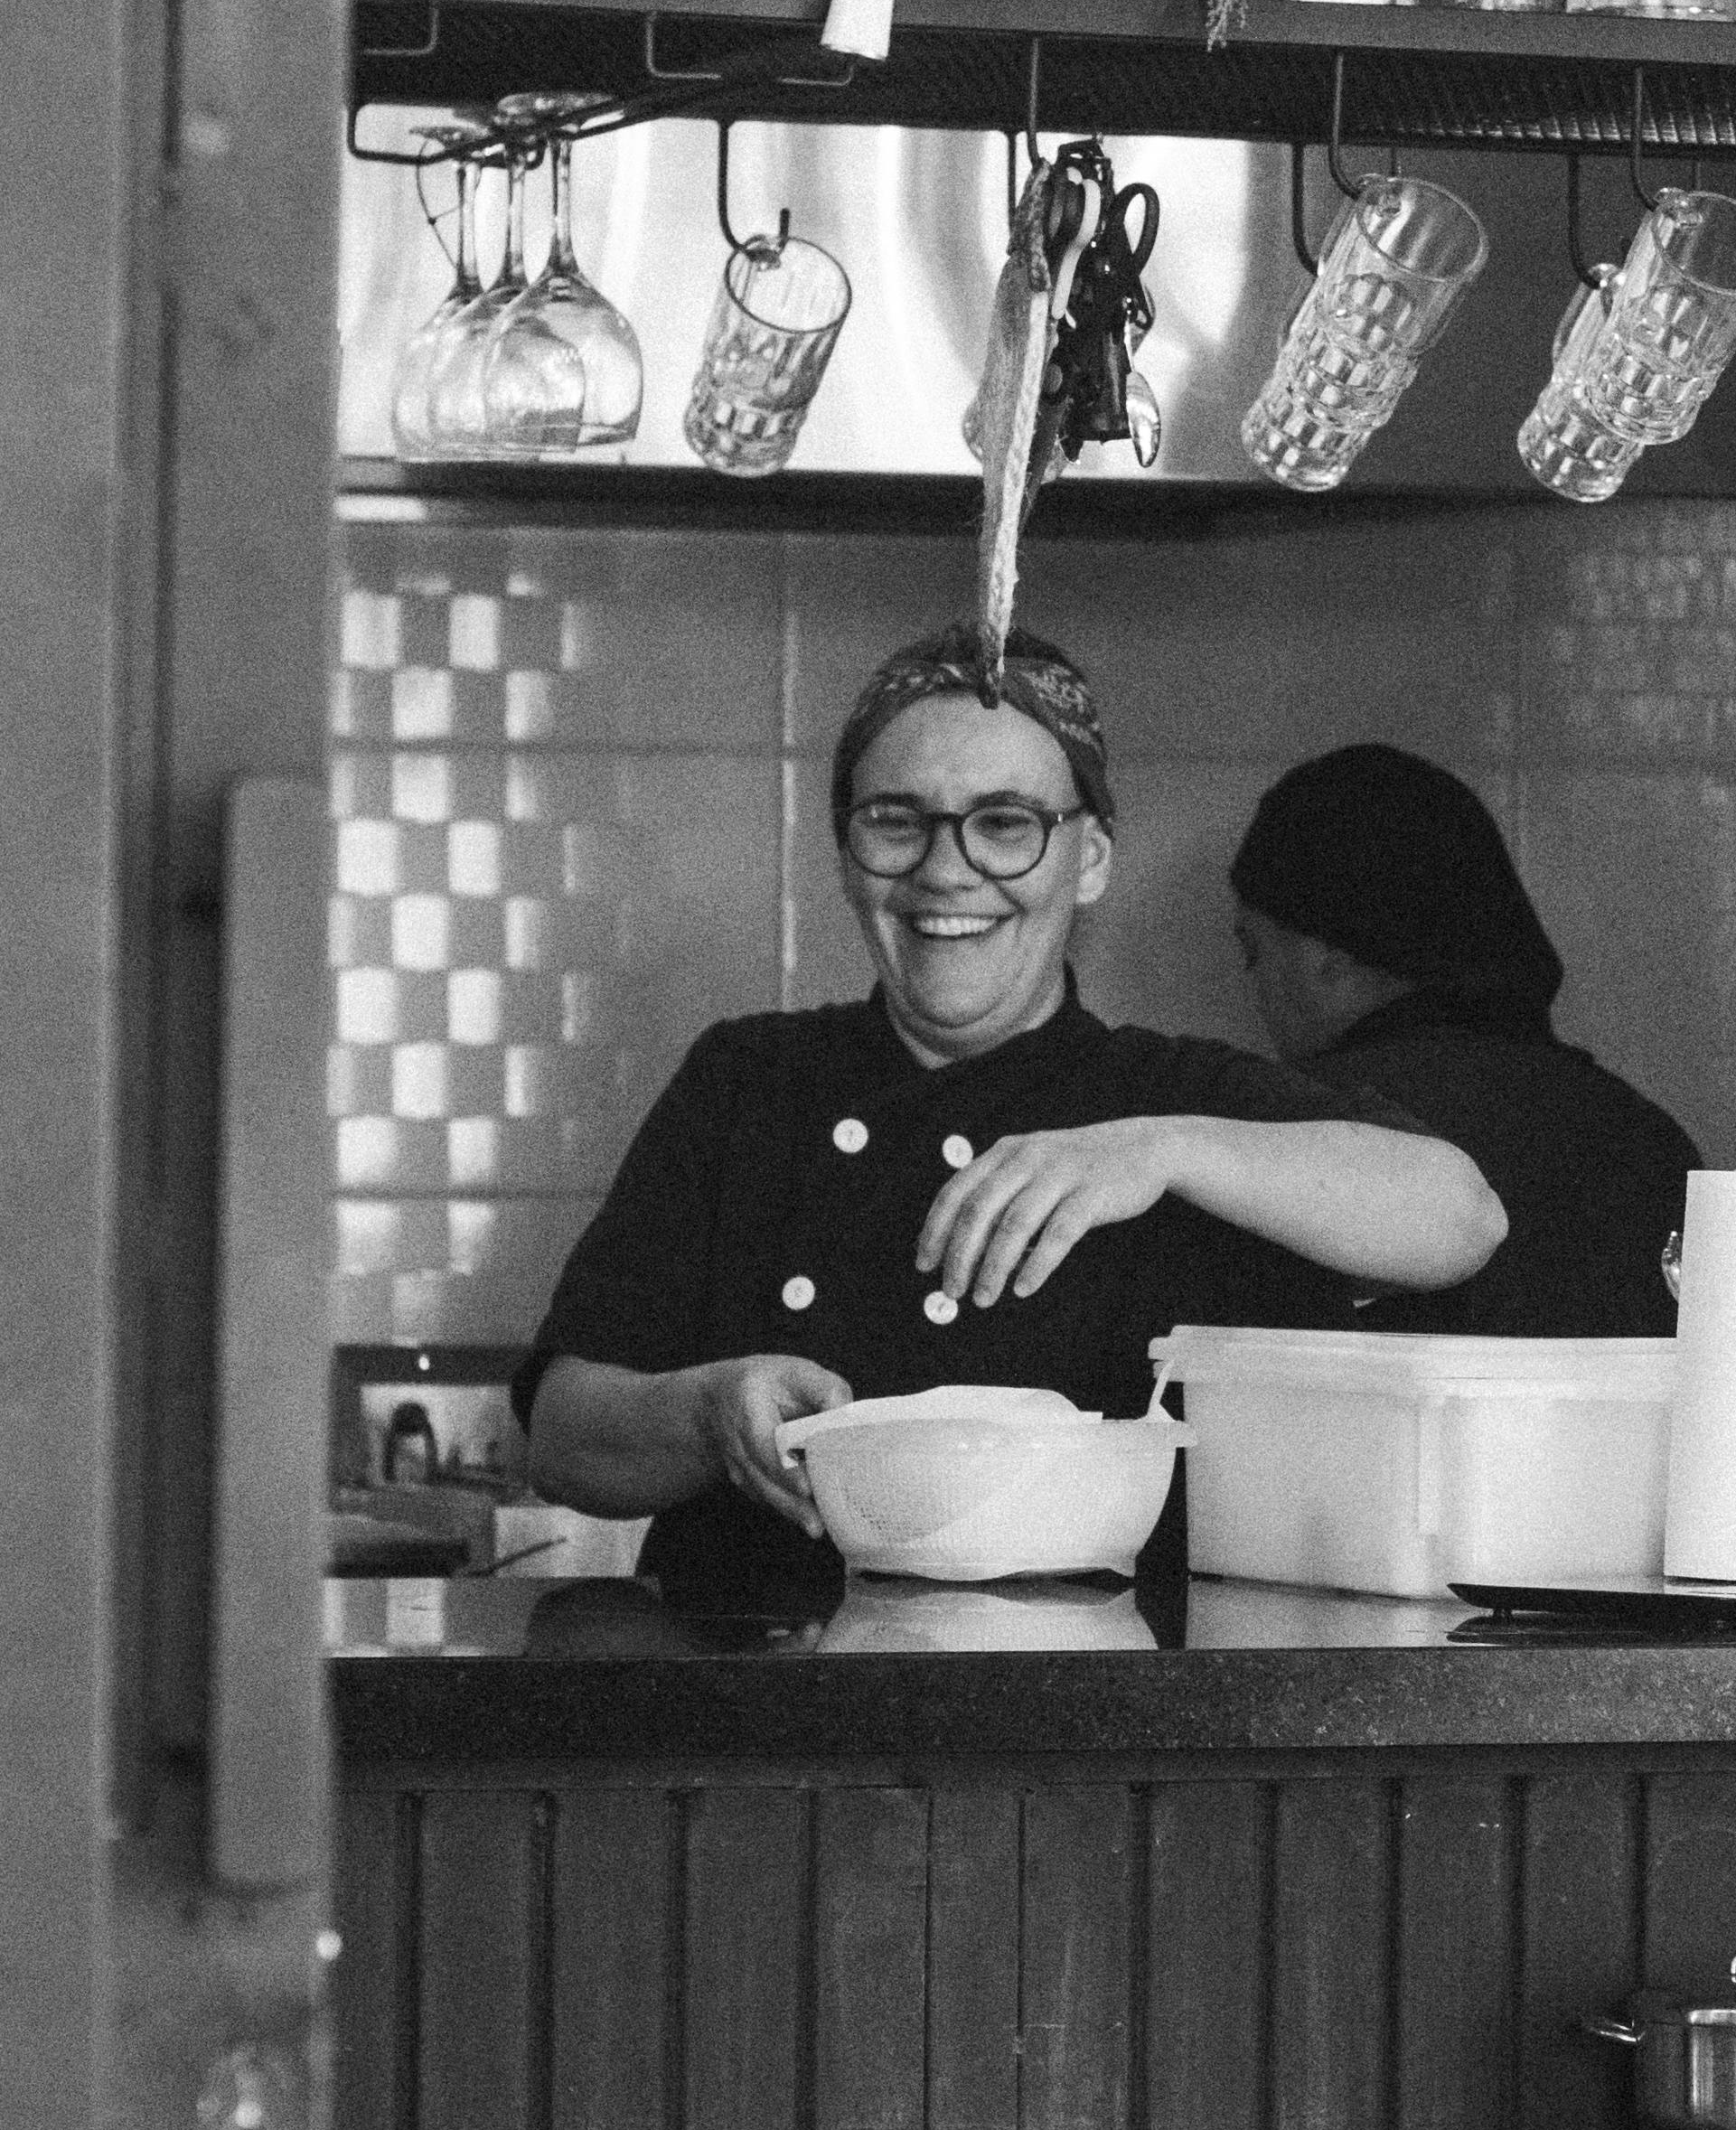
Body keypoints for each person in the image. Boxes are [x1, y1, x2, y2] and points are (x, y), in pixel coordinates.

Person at [518, 628, 1504, 1605]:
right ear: (846, 854)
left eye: (1004, 823)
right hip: (756, 1685)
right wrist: (705, 1412)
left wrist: (1162, 1149)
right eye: (896, 820)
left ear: (1090, 858)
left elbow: (1460, 1218)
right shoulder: (749, 1081)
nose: (946, 871)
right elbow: (561, 1436)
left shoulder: (1162, 1098)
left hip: (1090, 1688)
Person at [1228, 742, 1697, 1338]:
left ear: (1328, 956)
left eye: (1253, 951)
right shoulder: (1652, 1144)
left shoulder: (1284, 1145)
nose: (1254, 990)